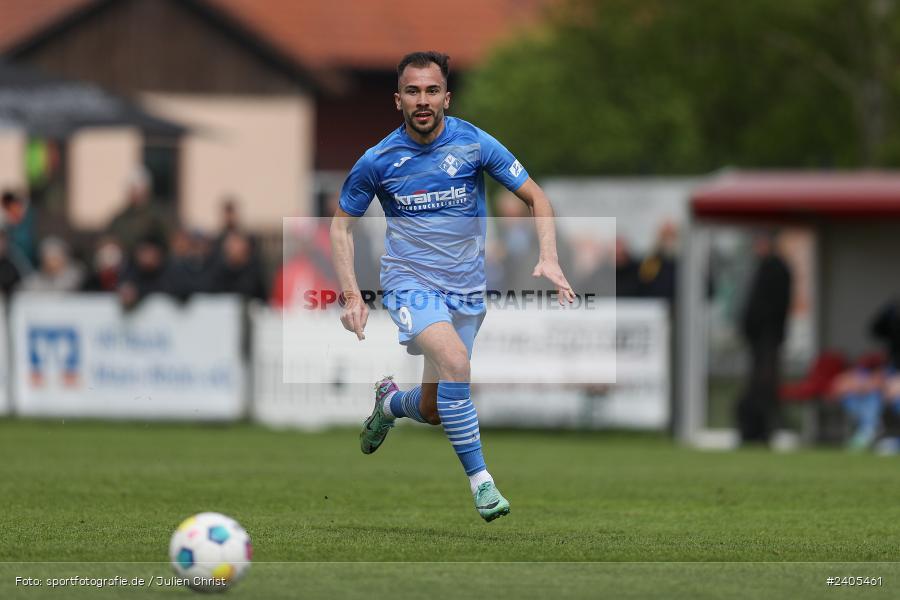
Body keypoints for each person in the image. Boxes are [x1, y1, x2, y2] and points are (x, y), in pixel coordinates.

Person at [330, 51, 575, 522]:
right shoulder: (377, 160)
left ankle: (389, 404)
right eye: (413, 91)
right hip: (408, 284)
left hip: (466, 292)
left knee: (434, 407)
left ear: (447, 96)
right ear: (397, 99)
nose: (423, 100)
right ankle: (482, 484)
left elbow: (536, 196)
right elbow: (340, 227)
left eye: (432, 91)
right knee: (457, 364)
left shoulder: (474, 144)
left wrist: (549, 255)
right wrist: (350, 294)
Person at [735, 232, 792, 444]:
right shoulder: (761, 267)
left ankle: (765, 432)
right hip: (758, 341)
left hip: (768, 339)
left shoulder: (777, 269)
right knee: (756, 386)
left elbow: (775, 308)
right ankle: (752, 431)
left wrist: (764, 332)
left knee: (765, 386)